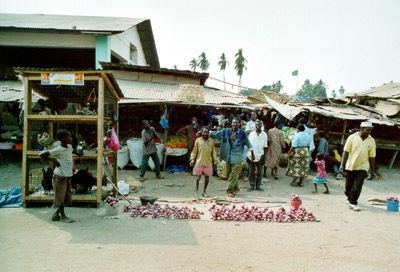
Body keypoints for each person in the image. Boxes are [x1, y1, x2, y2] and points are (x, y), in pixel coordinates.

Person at [39, 129, 83, 223]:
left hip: (67, 175)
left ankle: (56, 215)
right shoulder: (58, 149)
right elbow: (42, 154)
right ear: (63, 139)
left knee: (65, 196)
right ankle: (63, 216)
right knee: (60, 197)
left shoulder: (69, 147)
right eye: (69, 137)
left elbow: (75, 152)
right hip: (59, 176)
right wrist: (55, 161)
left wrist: (80, 151)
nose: (71, 138)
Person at [210, 117, 252, 197]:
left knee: (233, 174)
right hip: (227, 156)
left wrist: (252, 154)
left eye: (236, 123)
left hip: (237, 157)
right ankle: (236, 188)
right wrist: (207, 133)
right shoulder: (225, 132)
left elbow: (248, 144)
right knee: (230, 174)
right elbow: (216, 134)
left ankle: (230, 190)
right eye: (233, 122)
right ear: (231, 123)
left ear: (239, 124)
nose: (235, 124)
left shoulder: (242, 133)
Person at [340, 121, 376, 211]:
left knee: (357, 185)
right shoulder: (352, 138)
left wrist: (372, 171)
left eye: (370, 130)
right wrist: (342, 165)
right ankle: (349, 197)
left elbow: (372, 156)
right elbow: (346, 151)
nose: (369, 132)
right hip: (351, 165)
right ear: (361, 129)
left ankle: (353, 202)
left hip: (363, 166)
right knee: (348, 186)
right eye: (367, 130)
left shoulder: (371, 141)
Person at [190, 127, 218, 199]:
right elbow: (194, 151)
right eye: (204, 132)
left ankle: (204, 192)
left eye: (206, 132)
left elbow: (213, 152)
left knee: (207, 178)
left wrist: (215, 161)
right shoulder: (198, 140)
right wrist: (192, 160)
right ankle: (196, 192)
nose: (205, 134)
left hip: (208, 162)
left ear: (208, 133)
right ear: (201, 133)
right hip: (199, 161)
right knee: (198, 177)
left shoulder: (211, 141)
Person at [247, 120, 268, 192]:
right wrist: (252, 154)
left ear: (261, 126)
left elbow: (265, 146)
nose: (258, 126)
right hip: (252, 155)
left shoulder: (264, 135)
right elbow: (250, 145)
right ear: (255, 126)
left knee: (260, 171)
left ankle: (258, 185)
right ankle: (252, 185)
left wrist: (264, 157)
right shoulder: (251, 134)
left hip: (260, 155)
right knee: (251, 171)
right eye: (256, 125)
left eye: (259, 125)